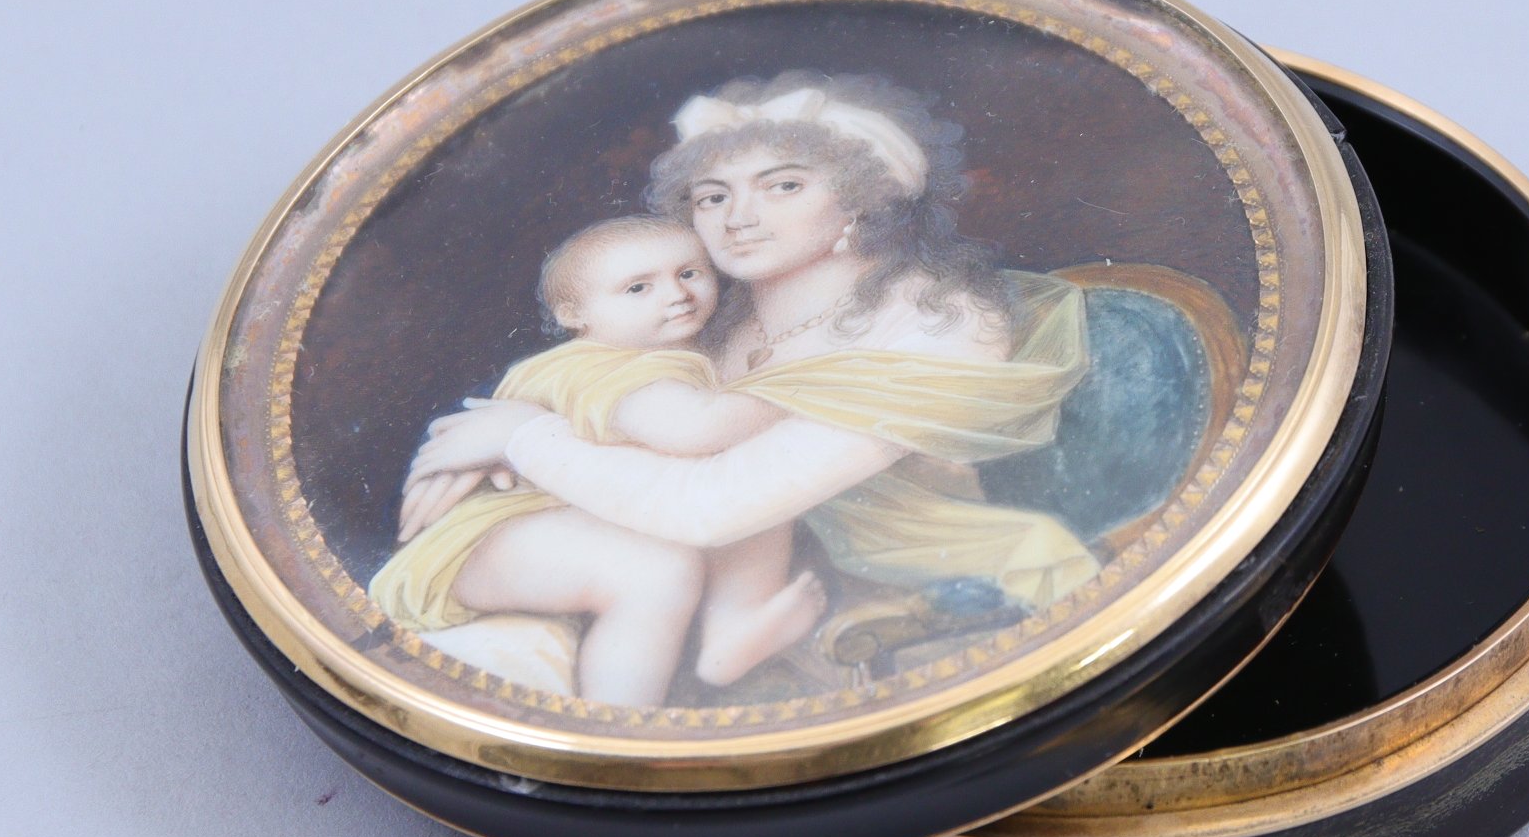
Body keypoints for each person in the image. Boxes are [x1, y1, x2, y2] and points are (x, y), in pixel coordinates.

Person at [398, 75, 1101, 687]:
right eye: (712, 197)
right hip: (672, 578)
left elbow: (716, 505)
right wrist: (498, 446)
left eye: (783, 186)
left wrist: (523, 437)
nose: (737, 218)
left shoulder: (936, 321)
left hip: (920, 590)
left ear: (860, 201)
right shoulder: (708, 324)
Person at [371, 216, 825, 706]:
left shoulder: (661, 358)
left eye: (689, 273)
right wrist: (802, 389)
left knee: (751, 489)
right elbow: (696, 428)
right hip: (485, 544)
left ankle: (735, 625)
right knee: (656, 572)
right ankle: (621, 718)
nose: (677, 294)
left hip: (568, 525)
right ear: (574, 314)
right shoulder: (597, 367)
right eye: (638, 288)